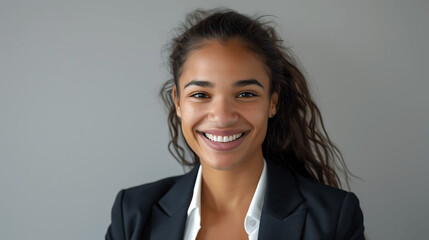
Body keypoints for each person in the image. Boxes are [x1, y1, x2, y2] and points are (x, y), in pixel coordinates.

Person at [106, 8, 365, 240]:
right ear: (178, 102)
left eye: (245, 94)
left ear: (272, 101)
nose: (222, 117)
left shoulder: (334, 219)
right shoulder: (132, 214)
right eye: (200, 95)